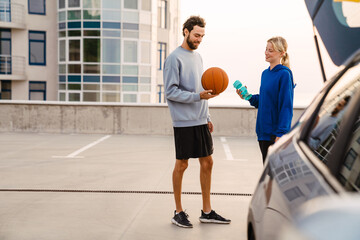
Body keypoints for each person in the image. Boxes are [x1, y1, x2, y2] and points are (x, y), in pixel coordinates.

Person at [163, 16, 231, 228]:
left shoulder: (199, 57)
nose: (199, 39)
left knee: (208, 162)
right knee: (182, 164)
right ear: (185, 32)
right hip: (183, 121)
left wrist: (207, 116)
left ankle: (207, 211)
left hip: (201, 119)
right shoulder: (174, 58)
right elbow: (171, 92)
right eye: (196, 35)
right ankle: (178, 212)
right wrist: (197, 97)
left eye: (202, 36)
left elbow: (202, 89)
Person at [236, 36, 295, 163]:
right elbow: (264, 101)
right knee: (267, 172)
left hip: (275, 134)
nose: (266, 53)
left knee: (273, 176)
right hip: (263, 132)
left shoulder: (285, 74)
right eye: (266, 49)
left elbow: (286, 106)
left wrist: (281, 133)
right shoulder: (265, 73)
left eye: (271, 50)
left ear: (281, 53)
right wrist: (248, 96)